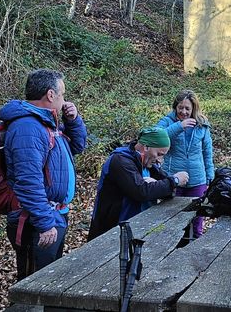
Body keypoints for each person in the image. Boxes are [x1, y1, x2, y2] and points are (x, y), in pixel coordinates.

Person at [0, 69, 88, 281]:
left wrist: (73, 120)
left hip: (52, 214)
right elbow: (27, 181)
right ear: (50, 94)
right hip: (36, 219)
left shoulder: (46, 122)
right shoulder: (28, 127)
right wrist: (45, 223)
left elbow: (77, 146)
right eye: (62, 94)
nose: (64, 100)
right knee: (34, 283)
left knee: (48, 280)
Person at [87, 127, 190, 241]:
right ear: (146, 147)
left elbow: (168, 190)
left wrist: (160, 185)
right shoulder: (120, 160)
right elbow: (141, 192)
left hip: (138, 226)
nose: (160, 160)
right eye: (159, 154)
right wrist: (174, 181)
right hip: (112, 229)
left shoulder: (149, 164)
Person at [155, 90, 215, 238]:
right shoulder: (167, 121)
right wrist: (179, 126)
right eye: (180, 107)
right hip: (173, 179)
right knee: (172, 222)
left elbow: (207, 152)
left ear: (194, 109)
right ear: (175, 107)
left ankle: (194, 249)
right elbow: (157, 137)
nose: (183, 112)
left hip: (197, 180)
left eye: (187, 108)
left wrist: (210, 175)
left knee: (197, 222)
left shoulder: (202, 124)